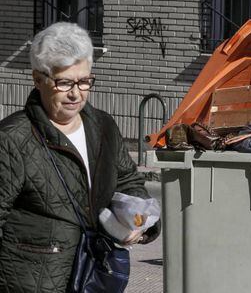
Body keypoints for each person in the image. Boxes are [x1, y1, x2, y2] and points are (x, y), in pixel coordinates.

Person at [0, 22, 161, 292]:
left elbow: (127, 179)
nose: (76, 93)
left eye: (84, 81)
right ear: (38, 79)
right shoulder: (12, 138)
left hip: (94, 273)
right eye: (64, 83)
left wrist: (139, 218)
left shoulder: (104, 126)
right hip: (33, 281)